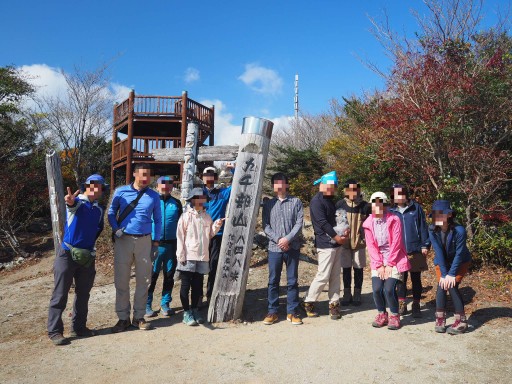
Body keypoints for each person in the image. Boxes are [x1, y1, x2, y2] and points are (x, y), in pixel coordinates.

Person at [47, 174, 106, 346]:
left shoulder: (99, 209)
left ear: (102, 189)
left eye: (99, 186)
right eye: (92, 185)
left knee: (83, 294)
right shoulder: (77, 202)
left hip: (86, 256)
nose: (95, 189)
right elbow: (70, 205)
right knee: (60, 294)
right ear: (86, 186)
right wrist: (69, 201)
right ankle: (55, 331)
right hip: (67, 255)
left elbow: (97, 230)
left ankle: (79, 328)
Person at [108, 163, 162, 332]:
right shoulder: (121, 192)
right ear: (134, 174)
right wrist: (115, 228)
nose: (146, 178)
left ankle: (138, 317)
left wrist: (156, 242)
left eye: (149, 175)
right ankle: (123, 318)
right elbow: (111, 212)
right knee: (121, 280)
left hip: (145, 241)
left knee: (144, 280)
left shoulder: (154, 196)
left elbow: (158, 220)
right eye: (143, 174)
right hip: (123, 240)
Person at [302, 171, 349, 320]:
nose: (330, 188)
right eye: (328, 185)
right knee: (323, 275)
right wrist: (337, 237)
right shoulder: (316, 201)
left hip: (336, 243)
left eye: (333, 186)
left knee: (335, 275)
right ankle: (309, 301)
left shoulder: (330, 200)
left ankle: (334, 304)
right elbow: (322, 223)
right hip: (325, 243)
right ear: (321, 185)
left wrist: (343, 233)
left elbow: (335, 221)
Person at [363, 192, 411, 330]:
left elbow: (397, 243)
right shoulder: (368, 223)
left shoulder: (394, 219)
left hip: (395, 258)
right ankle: (382, 314)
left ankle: (395, 315)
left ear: (385, 206)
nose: (377, 208)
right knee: (377, 289)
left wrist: (389, 264)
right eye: (374, 205)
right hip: (378, 260)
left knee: (389, 289)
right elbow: (371, 246)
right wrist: (379, 266)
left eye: (380, 205)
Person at [176, 188, 224, 326]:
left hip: (203, 256)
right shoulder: (185, 216)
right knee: (185, 285)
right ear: (192, 200)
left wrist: (217, 225)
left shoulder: (207, 216)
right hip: (188, 255)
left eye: (202, 198)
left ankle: (195, 310)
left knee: (197, 286)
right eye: (197, 198)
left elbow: (209, 235)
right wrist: (180, 254)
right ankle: (186, 313)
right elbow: (180, 237)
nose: (200, 201)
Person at [262, 173, 304, 325]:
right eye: (276, 183)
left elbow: (299, 223)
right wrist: (278, 239)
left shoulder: (296, 202)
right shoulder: (268, 204)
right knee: (273, 281)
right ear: (273, 186)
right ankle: (272, 311)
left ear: (287, 184)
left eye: (282, 183)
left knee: (292, 281)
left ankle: (292, 312)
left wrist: (287, 239)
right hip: (274, 248)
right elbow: (265, 225)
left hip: (292, 247)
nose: (279, 186)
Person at [429, 200, 471, 335]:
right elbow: (438, 252)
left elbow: (459, 253)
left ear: (449, 215)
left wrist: (451, 274)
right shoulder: (432, 230)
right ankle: (440, 318)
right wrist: (444, 274)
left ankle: (462, 321)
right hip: (442, 262)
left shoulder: (459, 230)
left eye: (441, 214)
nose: (437, 218)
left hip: (460, 262)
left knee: (452, 285)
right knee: (442, 285)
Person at [389, 184, 430, 317]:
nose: (398, 197)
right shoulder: (391, 210)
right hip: (398, 251)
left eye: (400, 194)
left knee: (416, 278)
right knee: (401, 279)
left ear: (406, 195)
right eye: (395, 194)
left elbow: (423, 226)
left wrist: (425, 245)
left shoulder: (416, 208)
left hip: (415, 249)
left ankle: (416, 304)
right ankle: (402, 304)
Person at [146, 176, 183, 317]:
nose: (166, 187)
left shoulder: (177, 203)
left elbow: (181, 224)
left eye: (169, 185)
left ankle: (165, 303)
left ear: (172, 187)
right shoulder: (151, 202)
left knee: (169, 276)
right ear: (157, 186)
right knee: (151, 276)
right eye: (163, 184)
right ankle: (147, 304)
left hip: (172, 245)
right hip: (154, 245)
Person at [336, 179, 371, 306]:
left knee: (358, 268)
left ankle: (357, 293)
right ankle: (346, 293)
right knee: (345, 268)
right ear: (345, 190)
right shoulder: (340, 204)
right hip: (344, 243)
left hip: (359, 243)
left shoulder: (365, 206)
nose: (352, 192)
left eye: (355, 189)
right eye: (349, 189)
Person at [202, 164, 234, 303]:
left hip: (217, 235)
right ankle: (197, 297)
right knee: (198, 266)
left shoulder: (222, 193)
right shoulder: (197, 193)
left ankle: (210, 295)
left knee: (214, 265)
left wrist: (233, 169)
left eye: (212, 175)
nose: (209, 178)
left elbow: (237, 184)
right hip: (200, 235)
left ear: (215, 178)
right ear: (202, 178)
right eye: (206, 175)